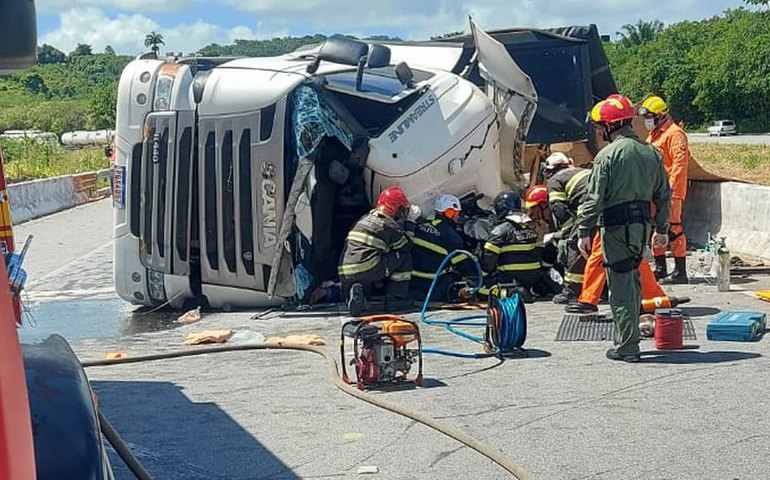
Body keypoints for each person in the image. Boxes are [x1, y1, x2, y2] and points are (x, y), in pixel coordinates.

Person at [579, 94, 671, 362]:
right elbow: (663, 195)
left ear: (610, 126)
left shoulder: (607, 156)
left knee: (619, 286)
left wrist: (584, 231)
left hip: (616, 229)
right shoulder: (652, 153)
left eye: (599, 127)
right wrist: (662, 228)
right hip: (640, 227)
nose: (598, 132)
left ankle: (627, 347)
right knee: (632, 281)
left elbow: (594, 199)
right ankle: (625, 339)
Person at [339, 186, 419, 316]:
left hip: (345, 271)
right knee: (404, 256)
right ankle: (396, 299)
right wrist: (410, 222)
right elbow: (406, 246)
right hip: (367, 268)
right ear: (397, 209)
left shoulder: (363, 218)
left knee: (371, 262)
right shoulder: (389, 225)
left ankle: (357, 297)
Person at [639, 94, 691, 284]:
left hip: (670, 192)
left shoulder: (675, 134)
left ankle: (680, 271)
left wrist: (670, 190)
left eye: (649, 116)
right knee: (657, 228)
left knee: (673, 228)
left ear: (661, 115)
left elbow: (679, 164)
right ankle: (661, 268)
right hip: (655, 191)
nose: (647, 121)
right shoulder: (654, 134)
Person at [481, 190, 560, 303]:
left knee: (481, 290)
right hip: (533, 277)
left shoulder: (500, 231)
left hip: (510, 278)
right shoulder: (530, 228)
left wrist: (482, 275)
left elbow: (489, 261)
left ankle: (511, 293)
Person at [540, 153, 591, 304]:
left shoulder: (555, 180)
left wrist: (567, 231)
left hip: (587, 214)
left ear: (549, 170)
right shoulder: (584, 171)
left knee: (575, 248)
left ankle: (571, 292)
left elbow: (558, 208)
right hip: (609, 212)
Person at [410, 194, 478, 303]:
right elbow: (463, 267)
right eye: (454, 213)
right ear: (448, 213)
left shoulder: (420, 225)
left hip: (411, 284)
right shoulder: (452, 237)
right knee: (455, 277)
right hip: (432, 288)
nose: (457, 216)